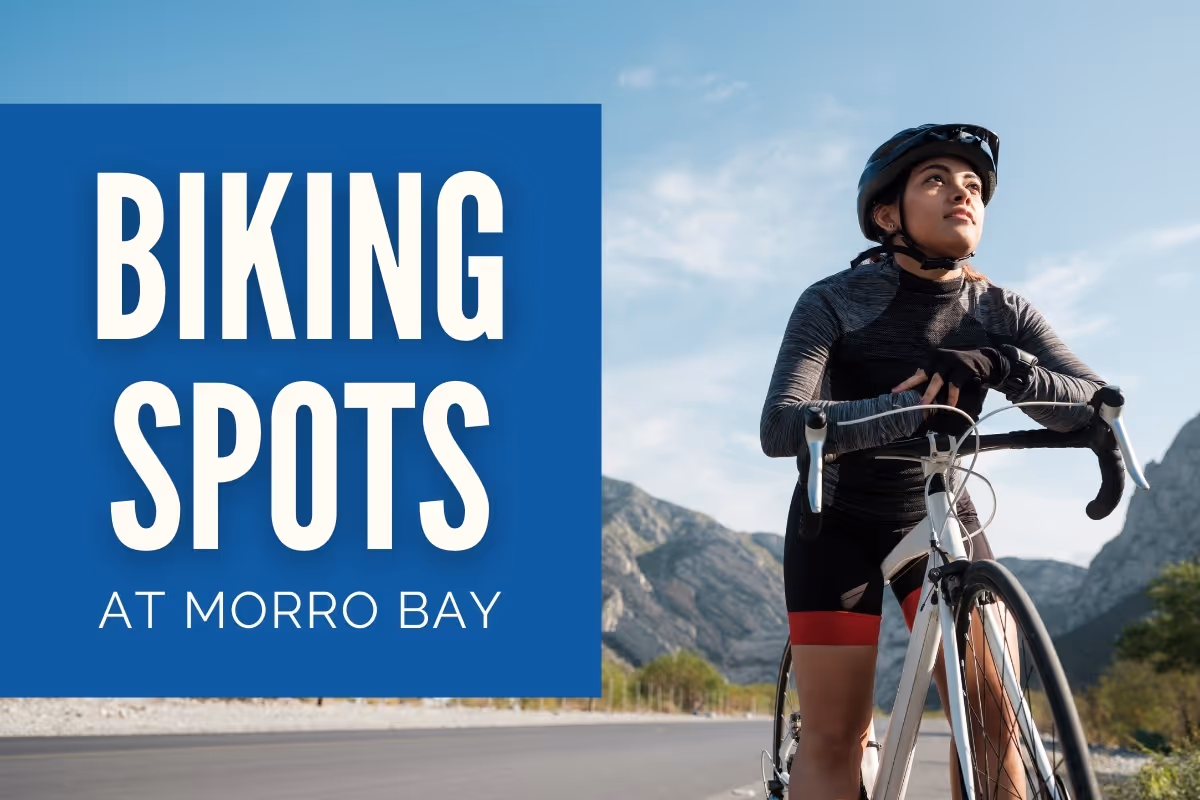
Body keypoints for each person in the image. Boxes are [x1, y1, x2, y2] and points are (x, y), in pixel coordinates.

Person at [759, 124, 1105, 799]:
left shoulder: (1004, 311)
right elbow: (780, 426)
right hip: (838, 519)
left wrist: (1011, 366)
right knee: (837, 735)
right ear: (888, 216)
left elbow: (1096, 402)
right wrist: (903, 411)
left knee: (994, 715)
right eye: (937, 181)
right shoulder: (833, 300)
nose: (962, 194)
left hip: (942, 508)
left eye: (973, 186)